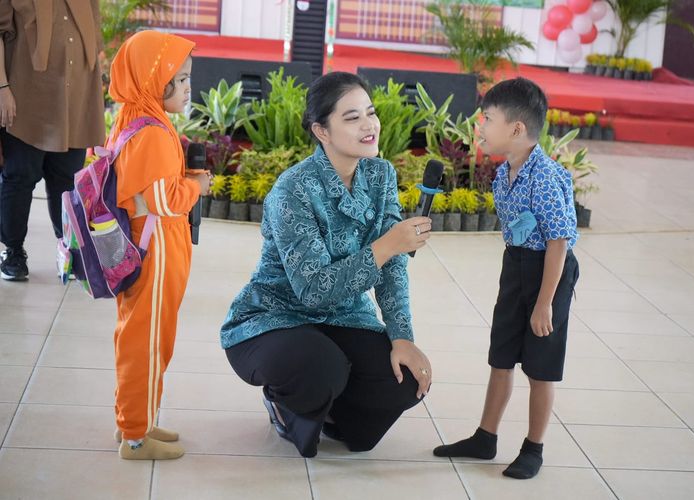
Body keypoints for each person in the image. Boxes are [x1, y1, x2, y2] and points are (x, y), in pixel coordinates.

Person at [221, 72, 433, 458]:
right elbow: (313, 290)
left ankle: (329, 411)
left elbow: (393, 267)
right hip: (273, 317)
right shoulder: (293, 188)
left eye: (370, 113)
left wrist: (402, 336)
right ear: (322, 131)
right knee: (322, 368)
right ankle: (284, 404)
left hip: (345, 317)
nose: (369, 125)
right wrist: (385, 246)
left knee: (404, 380)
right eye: (352, 118)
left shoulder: (380, 174)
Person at [433, 77, 579, 480]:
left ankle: (534, 447)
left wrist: (544, 302)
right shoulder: (504, 173)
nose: (479, 126)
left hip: (549, 272)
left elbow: (558, 243)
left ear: (516, 129)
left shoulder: (544, 176)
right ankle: (485, 437)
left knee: (540, 365)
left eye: (488, 118)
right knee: (501, 355)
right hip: (517, 264)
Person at [108, 30, 210, 460]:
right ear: (154, 80)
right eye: (180, 79)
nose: (189, 88)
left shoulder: (137, 117)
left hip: (145, 245)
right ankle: (135, 437)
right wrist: (196, 187)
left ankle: (136, 420)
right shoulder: (151, 132)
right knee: (147, 340)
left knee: (145, 335)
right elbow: (160, 200)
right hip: (156, 248)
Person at [0, 0, 105, 281]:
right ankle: (12, 251)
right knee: (20, 176)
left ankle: (68, 249)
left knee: (66, 180)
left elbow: (93, 43)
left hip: (73, 102)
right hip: (27, 99)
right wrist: (2, 88)